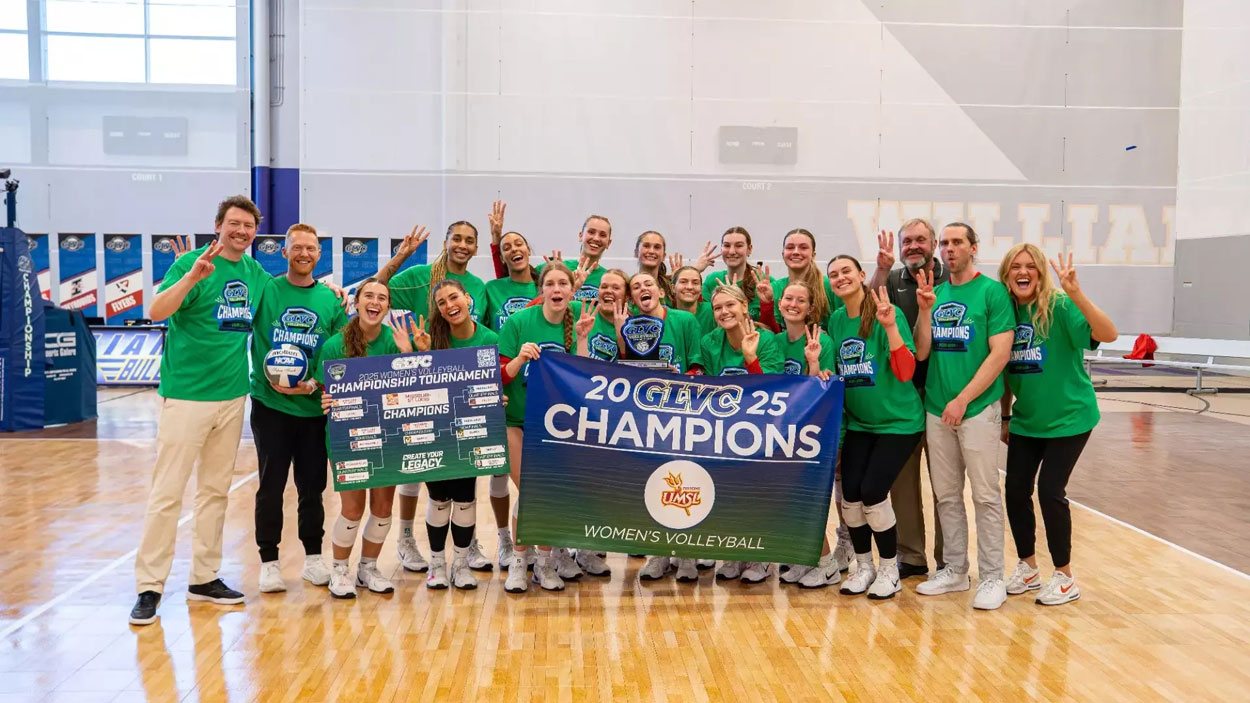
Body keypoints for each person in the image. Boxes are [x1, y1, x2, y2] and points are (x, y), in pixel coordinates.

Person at [130, 196, 273, 626]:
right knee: (167, 493)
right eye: (234, 223)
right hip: (187, 396)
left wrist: (335, 292)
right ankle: (150, 585)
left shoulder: (256, 274)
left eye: (248, 226)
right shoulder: (191, 264)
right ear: (218, 225)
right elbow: (156, 310)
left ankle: (204, 577)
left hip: (232, 397)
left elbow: (284, 301)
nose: (241, 231)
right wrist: (192, 277)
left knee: (214, 492)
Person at [999, 245, 1117, 606]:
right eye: (1015, 266)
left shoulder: (1060, 305)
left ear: (1040, 273)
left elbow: (1109, 333)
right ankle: (1028, 568)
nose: (1023, 272)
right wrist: (1006, 416)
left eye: (1030, 266)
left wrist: (1076, 292)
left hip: (1070, 417)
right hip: (1027, 420)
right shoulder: (1005, 313)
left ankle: (1065, 577)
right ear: (1006, 274)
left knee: (1050, 490)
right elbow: (1005, 371)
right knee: (1015, 490)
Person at [913, 222, 1014, 610]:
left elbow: (1000, 354)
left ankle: (992, 577)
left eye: (957, 242)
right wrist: (925, 312)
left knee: (985, 495)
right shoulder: (935, 294)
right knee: (946, 496)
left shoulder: (992, 292)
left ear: (973, 248)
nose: (949, 248)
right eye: (944, 243)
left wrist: (963, 399)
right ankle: (955, 570)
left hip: (976, 409)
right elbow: (922, 352)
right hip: (937, 410)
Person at [248, 223, 349, 594]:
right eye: (297, 247)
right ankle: (269, 563)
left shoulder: (331, 300)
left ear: (319, 254)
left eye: (311, 248)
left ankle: (313, 558)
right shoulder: (266, 289)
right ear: (285, 252)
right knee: (271, 487)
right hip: (270, 405)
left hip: (312, 410)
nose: (304, 253)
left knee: (312, 488)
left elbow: (339, 353)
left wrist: (314, 384)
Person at [827, 256, 925, 600]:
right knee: (850, 496)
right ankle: (865, 567)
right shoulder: (836, 320)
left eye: (846, 271)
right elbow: (837, 373)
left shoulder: (886, 312)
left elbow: (906, 372)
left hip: (899, 422)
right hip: (861, 424)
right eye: (833, 274)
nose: (840, 278)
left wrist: (891, 328)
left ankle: (889, 570)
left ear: (861, 275)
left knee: (872, 492)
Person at [315, 278, 415, 598]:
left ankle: (367, 568)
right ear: (356, 303)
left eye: (382, 298)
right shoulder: (335, 345)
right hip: (349, 437)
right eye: (368, 296)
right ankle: (339, 569)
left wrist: (408, 354)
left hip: (388, 436)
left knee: (383, 508)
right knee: (353, 508)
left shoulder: (395, 341)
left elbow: (413, 389)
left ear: (388, 307)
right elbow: (324, 389)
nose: (375, 302)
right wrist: (325, 398)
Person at [406, 279, 506, 590]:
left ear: (467, 298)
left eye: (454, 298)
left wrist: (496, 397)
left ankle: (460, 565)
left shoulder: (490, 339)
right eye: (442, 302)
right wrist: (422, 355)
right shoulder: (431, 339)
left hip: (471, 432)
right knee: (439, 499)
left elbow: (494, 383)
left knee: (464, 500)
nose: (449, 305)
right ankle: (437, 564)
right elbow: (415, 390)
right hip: (435, 432)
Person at [865, 219, 948, 579]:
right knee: (901, 484)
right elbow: (868, 309)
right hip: (903, 397)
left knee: (945, 485)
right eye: (907, 241)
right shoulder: (894, 279)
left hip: (945, 396)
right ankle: (911, 556)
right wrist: (882, 270)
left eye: (920, 240)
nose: (913, 246)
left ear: (934, 243)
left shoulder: (952, 279)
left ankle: (950, 559)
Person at [497, 263, 586, 592]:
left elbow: (583, 377)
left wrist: (582, 338)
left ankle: (545, 564)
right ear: (542, 290)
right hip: (517, 421)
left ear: (572, 290)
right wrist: (520, 359)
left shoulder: (579, 322)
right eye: (550, 283)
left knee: (550, 493)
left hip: (557, 428)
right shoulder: (520, 321)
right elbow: (499, 374)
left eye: (563, 283)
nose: (557, 288)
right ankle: (519, 562)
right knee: (532, 491)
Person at [697, 285, 784, 581]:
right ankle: (734, 553)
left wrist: (750, 358)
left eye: (730, 305)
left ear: (745, 306)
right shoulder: (710, 342)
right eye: (717, 307)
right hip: (726, 428)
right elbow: (710, 388)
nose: (724, 312)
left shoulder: (767, 339)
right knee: (728, 493)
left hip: (762, 428)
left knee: (758, 494)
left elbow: (770, 390)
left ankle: (761, 557)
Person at [768, 281, 845, 589]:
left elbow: (819, 393)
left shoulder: (821, 341)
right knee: (787, 501)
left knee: (805, 501)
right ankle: (805, 558)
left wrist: (813, 363)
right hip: (786, 433)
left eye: (801, 300)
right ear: (780, 303)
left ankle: (827, 565)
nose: (793, 304)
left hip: (816, 433)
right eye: (788, 298)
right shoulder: (774, 341)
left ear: (811, 308)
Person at [491, 214, 613, 302]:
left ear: (608, 243)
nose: (596, 238)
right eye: (591, 232)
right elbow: (510, 281)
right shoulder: (553, 267)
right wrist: (496, 240)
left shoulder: (609, 279)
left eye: (602, 235)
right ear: (581, 236)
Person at [762, 228, 840, 332]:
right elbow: (773, 333)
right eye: (790, 247)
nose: (796, 252)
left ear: (813, 255)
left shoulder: (829, 286)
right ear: (783, 254)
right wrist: (766, 304)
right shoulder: (774, 288)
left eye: (803, 247)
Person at [701, 227, 766, 320]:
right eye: (727, 246)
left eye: (738, 246)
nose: (731, 251)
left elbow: (771, 324)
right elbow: (699, 315)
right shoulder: (712, 280)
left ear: (749, 249)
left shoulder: (763, 282)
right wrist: (695, 270)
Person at [579, 269, 631, 363]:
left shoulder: (632, 328)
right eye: (604, 287)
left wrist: (622, 335)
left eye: (616, 288)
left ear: (626, 296)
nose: (608, 291)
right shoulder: (582, 311)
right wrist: (574, 288)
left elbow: (634, 367)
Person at [670, 266, 715, 334]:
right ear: (673, 288)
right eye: (683, 282)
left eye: (695, 283)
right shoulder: (667, 317)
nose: (689, 287)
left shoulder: (712, 311)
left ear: (701, 289)